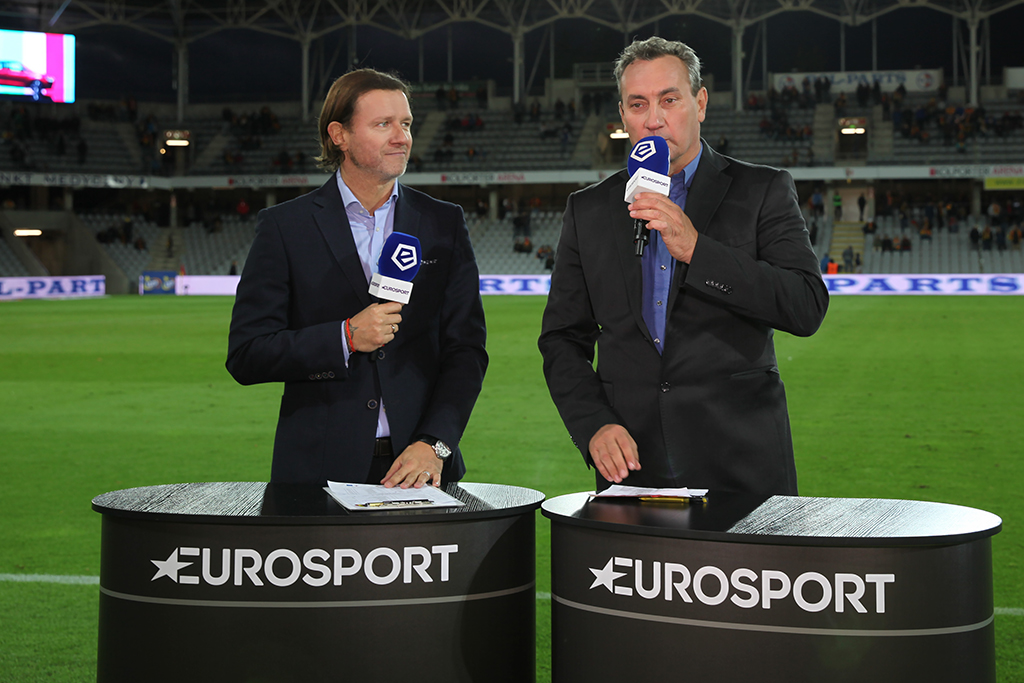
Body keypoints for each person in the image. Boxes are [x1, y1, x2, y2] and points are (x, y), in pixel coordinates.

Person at [538, 37, 828, 497]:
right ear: (623, 115)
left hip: (741, 464)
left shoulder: (761, 189)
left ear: (700, 103)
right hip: (632, 468)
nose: (653, 119)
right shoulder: (588, 209)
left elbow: (805, 306)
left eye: (669, 100)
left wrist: (697, 250)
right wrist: (593, 423)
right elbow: (562, 338)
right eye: (638, 104)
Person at [226, 69, 488, 489]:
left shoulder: (443, 222)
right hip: (318, 472)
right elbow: (247, 353)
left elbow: (467, 350)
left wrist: (435, 444)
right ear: (339, 135)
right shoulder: (285, 227)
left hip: (422, 469)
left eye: (406, 124)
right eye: (383, 124)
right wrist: (344, 337)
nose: (402, 137)